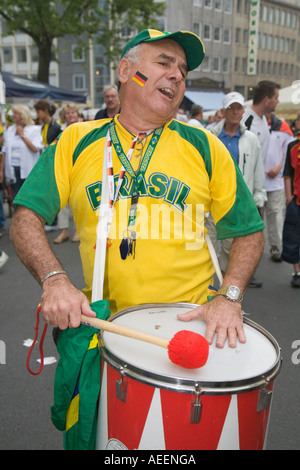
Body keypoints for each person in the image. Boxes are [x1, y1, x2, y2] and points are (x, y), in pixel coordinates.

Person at [10, 29, 265, 352]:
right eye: (164, 62)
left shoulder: (204, 146)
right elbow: (25, 216)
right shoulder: (76, 141)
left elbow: (249, 231)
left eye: (183, 72)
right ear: (126, 71)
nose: (176, 75)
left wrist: (230, 297)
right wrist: (55, 279)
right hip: (103, 327)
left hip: (190, 327)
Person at [207, 91, 266, 275]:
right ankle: (203, 294)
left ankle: (225, 296)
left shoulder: (251, 140)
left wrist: (259, 197)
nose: (235, 112)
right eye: (230, 108)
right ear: (223, 111)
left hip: (235, 205)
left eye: (238, 108)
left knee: (230, 254)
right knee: (205, 250)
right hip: (210, 204)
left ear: (243, 112)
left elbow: (257, 170)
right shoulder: (209, 136)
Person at [264, 113, 294, 262]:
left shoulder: (283, 128)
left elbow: (288, 152)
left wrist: (278, 168)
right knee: (254, 218)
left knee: (275, 215)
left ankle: (275, 246)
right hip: (257, 182)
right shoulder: (252, 124)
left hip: (276, 181)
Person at [1, 105, 43, 199]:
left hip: (28, 170)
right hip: (12, 170)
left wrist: (22, 135)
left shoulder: (34, 130)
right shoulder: (10, 129)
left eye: (16, 113)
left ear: (23, 115)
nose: (13, 115)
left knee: (28, 198)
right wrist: (1, 171)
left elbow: (35, 148)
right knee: (15, 198)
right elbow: (4, 151)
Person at [53, 104, 80, 244]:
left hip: (79, 167)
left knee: (78, 199)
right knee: (62, 199)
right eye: (68, 113)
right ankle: (63, 231)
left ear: (77, 114)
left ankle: (77, 230)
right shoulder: (60, 130)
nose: (70, 115)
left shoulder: (85, 128)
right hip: (64, 166)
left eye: (72, 113)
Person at [242, 80, 280, 164]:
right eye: (276, 98)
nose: (278, 101)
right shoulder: (245, 121)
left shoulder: (262, 118)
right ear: (266, 100)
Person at [281, 133, 300, 287]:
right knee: (294, 236)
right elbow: (287, 174)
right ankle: (297, 271)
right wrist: (289, 198)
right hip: (296, 199)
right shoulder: (293, 146)